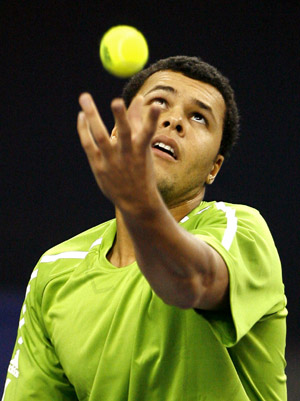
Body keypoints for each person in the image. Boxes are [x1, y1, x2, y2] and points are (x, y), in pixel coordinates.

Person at [2, 56, 287, 401]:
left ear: (214, 168)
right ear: (118, 132)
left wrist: (139, 203)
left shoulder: (240, 229)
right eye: (158, 103)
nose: (174, 120)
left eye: (199, 117)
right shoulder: (56, 270)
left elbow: (192, 282)